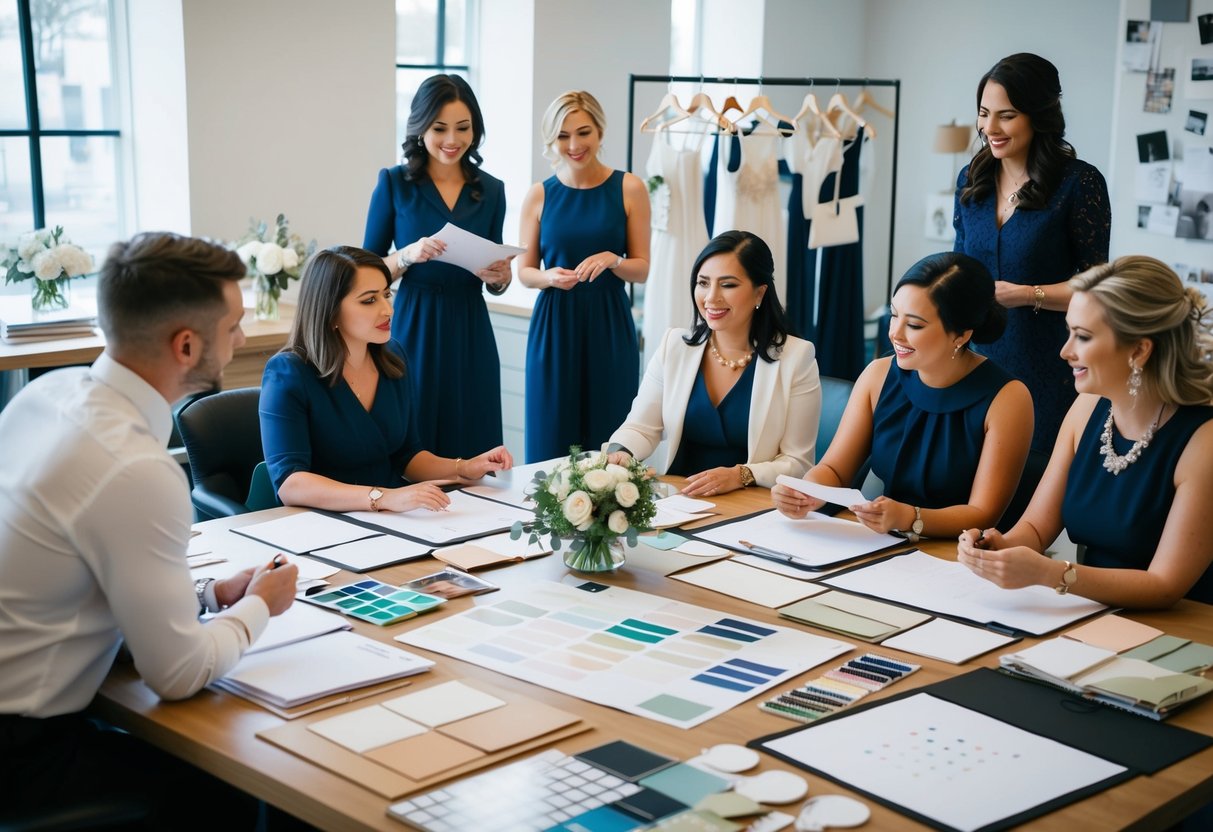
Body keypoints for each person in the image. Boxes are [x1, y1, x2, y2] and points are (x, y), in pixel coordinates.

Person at [0, 232, 299, 824]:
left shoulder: (46, 395)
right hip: (19, 752)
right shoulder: (136, 466)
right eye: (233, 326)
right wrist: (260, 606)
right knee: (233, 784)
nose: (240, 340)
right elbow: (179, 674)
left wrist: (210, 596)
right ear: (187, 345)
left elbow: (74, 572)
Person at [959, 256, 1213, 608]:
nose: (1066, 351)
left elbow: (1164, 585)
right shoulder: (1086, 409)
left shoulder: (1204, 442)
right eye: (1069, 332)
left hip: (1183, 633)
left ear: (1139, 350)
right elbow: (1034, 528)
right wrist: (996, 547)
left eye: (1083, 336)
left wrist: (1050, 574)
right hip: (1090, 614)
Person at [772, 251, 1033, 539]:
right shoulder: (878, 375)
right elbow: (834, 469)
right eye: (894, 315)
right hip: (884, 541)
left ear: (961, 334)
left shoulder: (1008, 398)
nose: (895, 333)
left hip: (960, 554)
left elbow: (983, 514)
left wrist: (911, 517)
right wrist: (807, 492)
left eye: (915, 325)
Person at [259, 246, 512, 513]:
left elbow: (408, 456)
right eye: (369, 300)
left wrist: (464, 467)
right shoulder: (287, 373)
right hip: (320, 520)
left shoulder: (393, 357)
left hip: (391, 516)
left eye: (386, 294)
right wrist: (383, 497)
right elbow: (291, 484)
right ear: (330, 311)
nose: (387, 309)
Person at [953, 52, 1111, 454]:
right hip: (974, 361)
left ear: (1038, 116)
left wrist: (1027, 294)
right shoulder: (971, 179)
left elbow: (1099, 288)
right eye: (984, 113)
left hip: (1047, 365)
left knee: (1032, 484)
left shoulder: (1079, 183)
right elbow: (959, 268)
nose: (990, 128)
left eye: (1006, 115)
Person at [363, 74, 513, 459]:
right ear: (419, 128)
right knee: (415, 429)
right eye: (439, 128)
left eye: (463, 128)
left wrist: (500, 278)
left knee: (473, 428)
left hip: (471, 325)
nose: (452, 140)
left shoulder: (492, 189)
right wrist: (407, 255)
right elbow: (364, 270)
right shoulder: (395, 183)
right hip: (413, 322)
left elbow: (497, 268)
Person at [607, 231, 820, 497]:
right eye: (703, 283)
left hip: (751, 505)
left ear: (759, 293)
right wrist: (621, 453)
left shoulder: (797, 358)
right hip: (679, 500)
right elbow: (640, 427)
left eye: (728, 285)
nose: (710, 298)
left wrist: (740, 475)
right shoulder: (673, 345)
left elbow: (798, 463)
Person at [518, 90, 651, 463]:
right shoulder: (539, 195)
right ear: (551, 139)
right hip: (554, 322)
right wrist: (548, 278)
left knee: (610, 429)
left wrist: (613, 260)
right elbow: (524, 273)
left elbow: (641, 268)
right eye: (562, 136)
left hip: (609, 320)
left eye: (583, 132)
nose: (574, 145)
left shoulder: (630, 188)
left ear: (600, 132)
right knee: (551, 427)